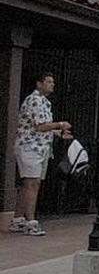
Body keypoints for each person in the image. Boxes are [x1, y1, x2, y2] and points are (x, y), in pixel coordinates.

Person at [8, 72, 71, 237]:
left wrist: (57, 132)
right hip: (30, 147)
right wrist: (60, 124)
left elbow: (42, 127)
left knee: (28, 183)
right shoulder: (34, 100)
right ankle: (31, 221)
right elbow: (40, 126)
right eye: (48, 82)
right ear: (39, 84)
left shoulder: (45, 102)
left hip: (41, 147)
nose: (52, 85)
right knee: (32, 183)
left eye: (52, 82)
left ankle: (18, 219)